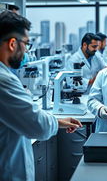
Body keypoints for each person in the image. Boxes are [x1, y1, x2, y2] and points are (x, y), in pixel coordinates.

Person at [0, 10, 82, 180]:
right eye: (26, 44)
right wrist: (52, 122)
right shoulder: (4, 81)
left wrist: (58, 122)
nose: (26, 51)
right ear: (13, 44)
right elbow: (40, 126)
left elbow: (22, 117)